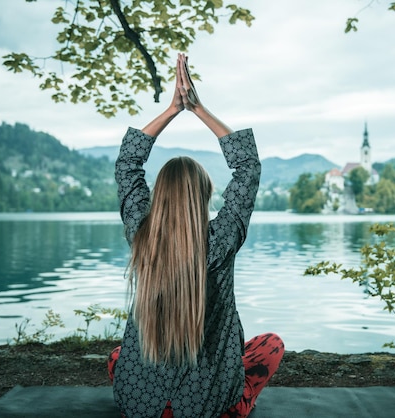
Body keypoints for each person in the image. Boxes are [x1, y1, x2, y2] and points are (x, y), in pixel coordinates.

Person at [107, 53, 284, 418]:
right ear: (203, 197)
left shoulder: (141, 235)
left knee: (119, 356)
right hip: (208, 407)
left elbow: (127, 165)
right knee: (270, 346)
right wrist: (197, 108)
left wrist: (172, 109)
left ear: (159, 198)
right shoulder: (220, 242)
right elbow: (247, 166)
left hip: (140, 404)